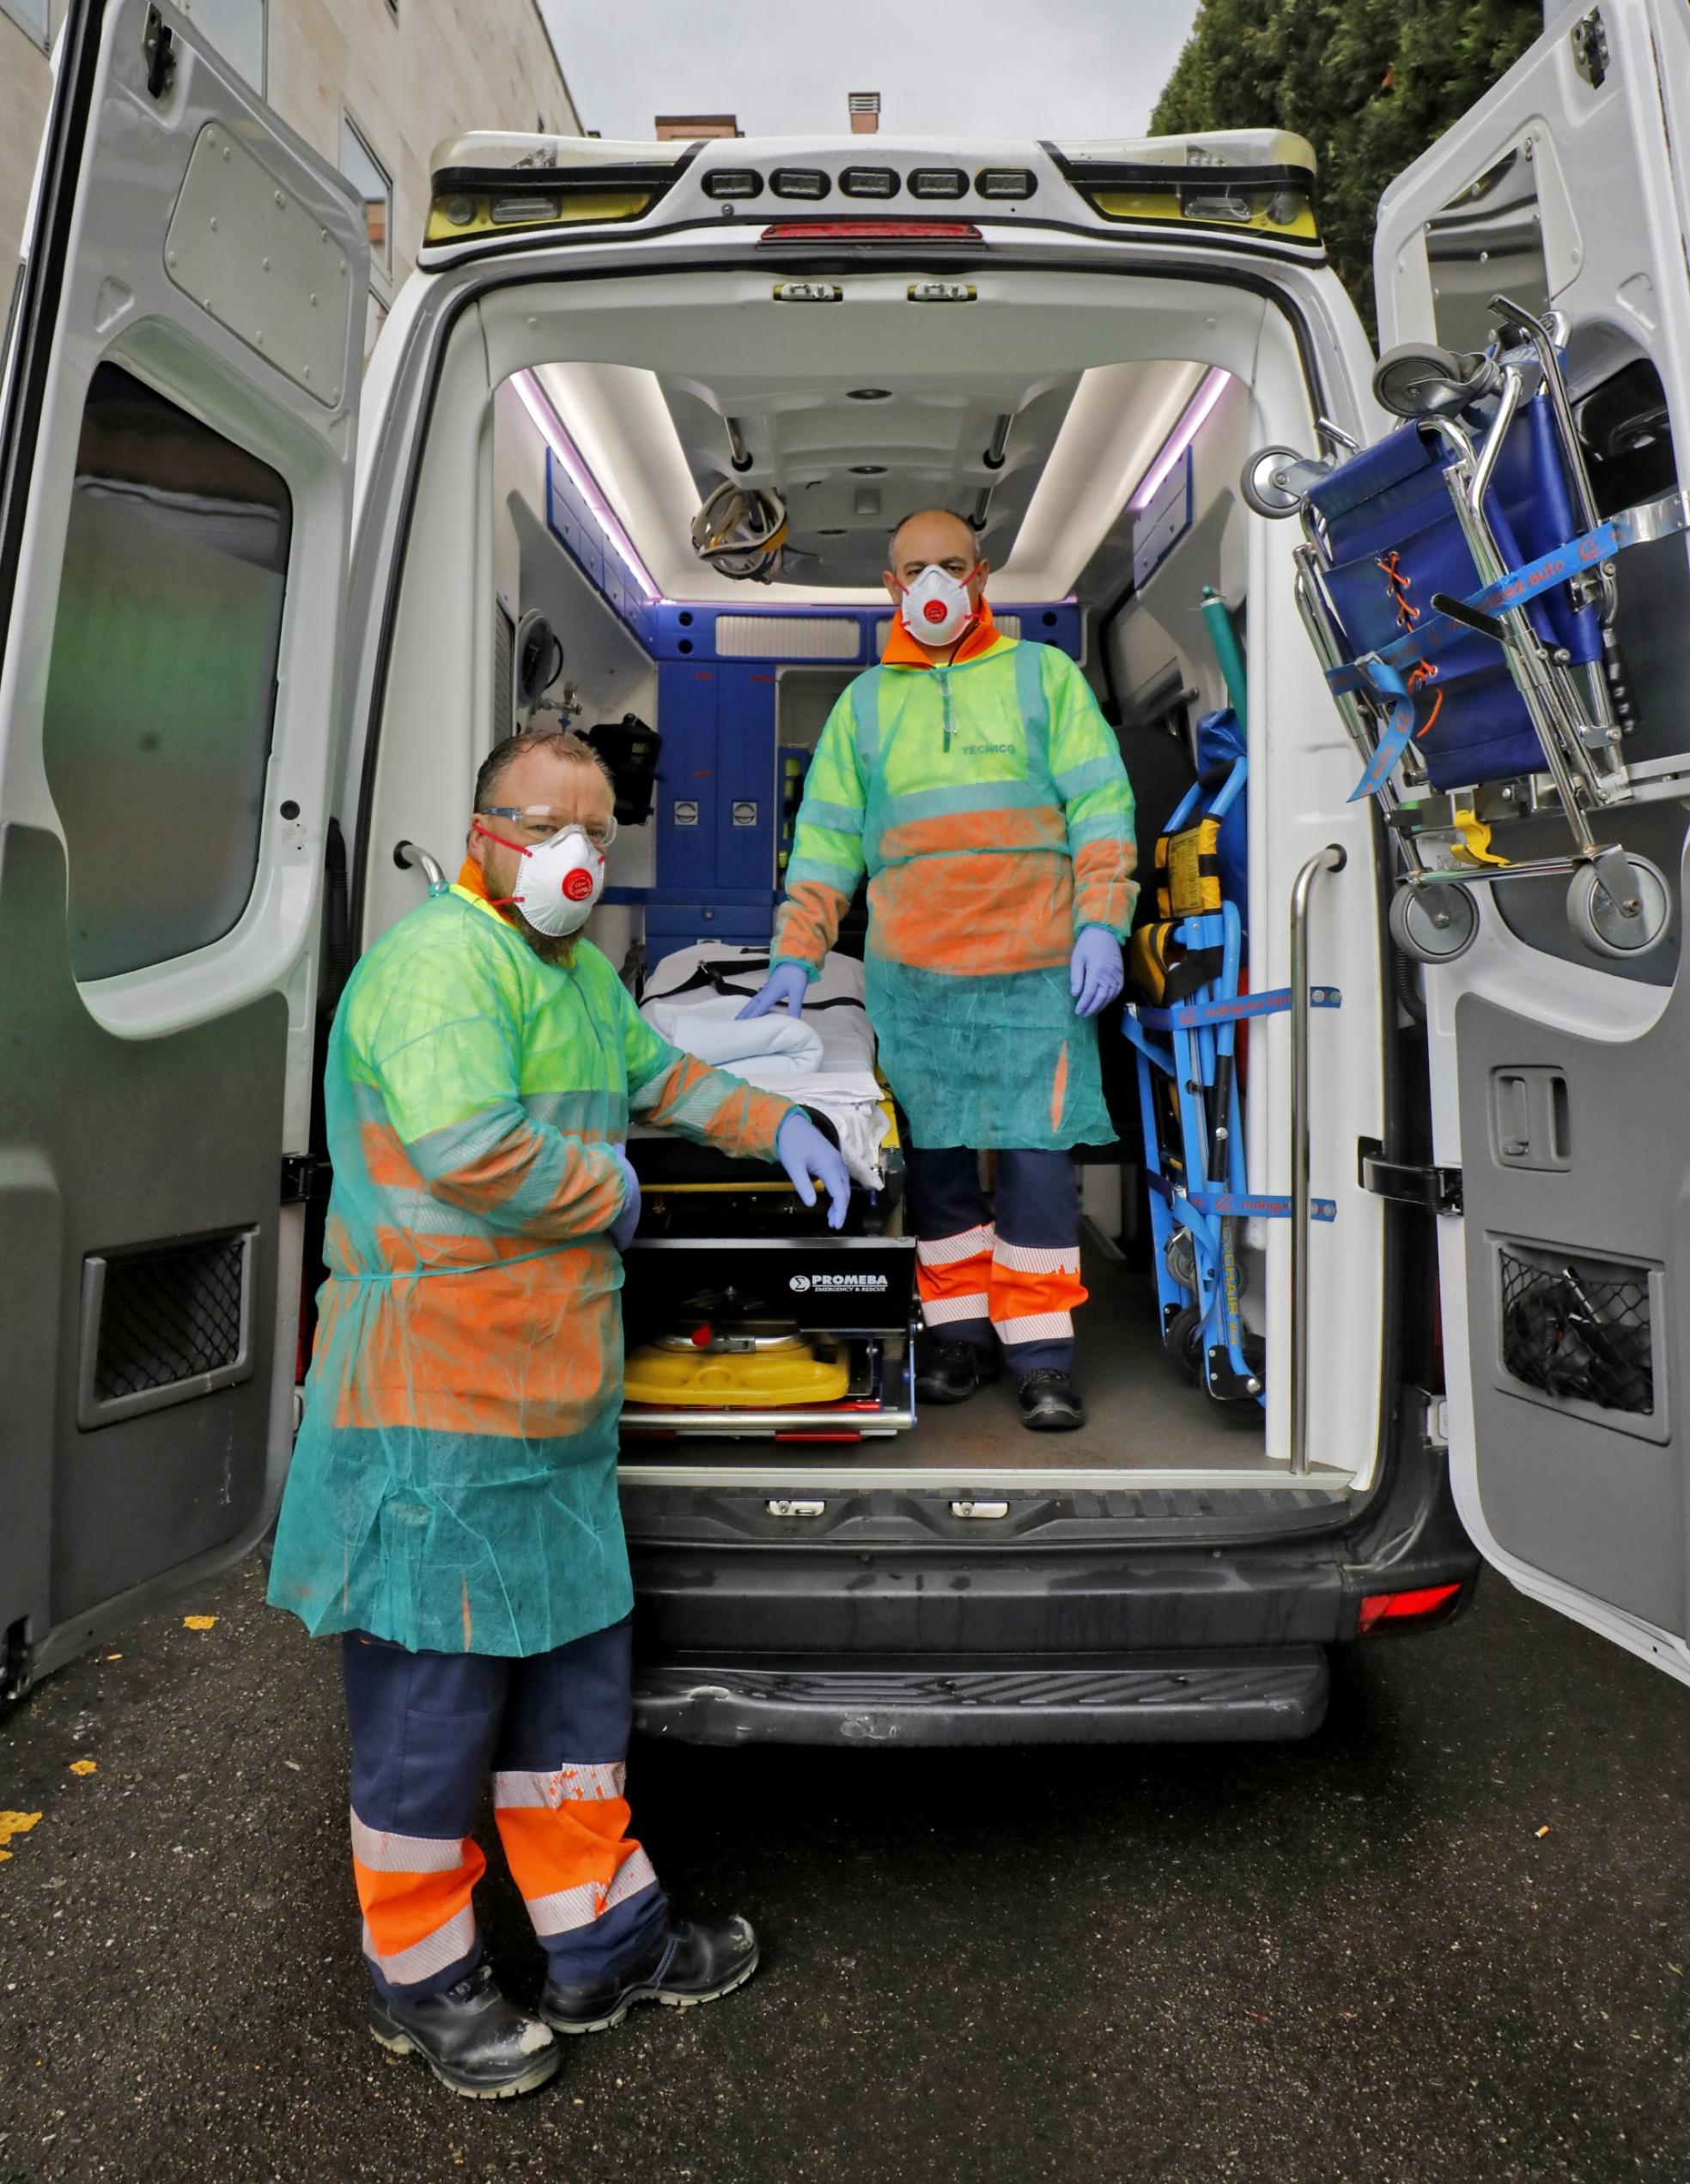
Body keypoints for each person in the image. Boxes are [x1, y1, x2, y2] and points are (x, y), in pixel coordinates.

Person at [268, 730, 849, 2099]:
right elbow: (475, 1154)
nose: (580, 856)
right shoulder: (438, 970)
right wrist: (623, 1195)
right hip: (434, 1401)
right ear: (483, 832)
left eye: (600, 829)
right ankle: (419, 1983)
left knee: (575, 1700)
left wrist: (783, 1126)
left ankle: (604, 1944)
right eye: (550, 825)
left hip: (550, 1403)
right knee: (434, 1706)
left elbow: (665, 1080)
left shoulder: (576, 976)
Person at [741, 509, 1135, 1430]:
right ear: (889, 586)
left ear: (981, 575)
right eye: (914, 568)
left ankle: (1041, 1357)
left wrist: (1103, 924)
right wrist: (797, 953)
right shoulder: (867, 707)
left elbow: (1102, 809)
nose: (932, 584)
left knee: (1039, 1172)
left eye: (950, 566)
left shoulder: (1045, 679)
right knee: (941, 1172)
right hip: (918, 987)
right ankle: (958, 1337)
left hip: (1039, 974)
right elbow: (827, 844)